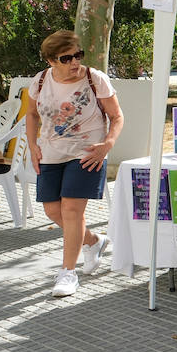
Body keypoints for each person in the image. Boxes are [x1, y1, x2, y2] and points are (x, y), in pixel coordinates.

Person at [26, 30, 123, 298]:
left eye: (77, 55)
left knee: (71, 210)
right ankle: (93, 241)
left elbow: (116, 116)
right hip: (50, 153)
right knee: (52, 211)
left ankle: (68, 273)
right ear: (50, 61)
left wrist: (107, 144)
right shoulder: (41, 81)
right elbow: (31, 114)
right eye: (66, 58)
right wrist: (32, 145)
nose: (74, 62)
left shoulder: (95, 79)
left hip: (87, 152)